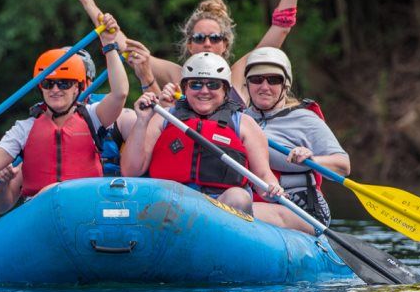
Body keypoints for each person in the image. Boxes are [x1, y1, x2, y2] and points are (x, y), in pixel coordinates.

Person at [0, 13, 128, 215]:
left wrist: (109, 45)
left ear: (78, 88)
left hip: (85, 208)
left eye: (65, 83)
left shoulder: (93, 117)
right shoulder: (25, 128)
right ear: (40, 87)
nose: (55, 89)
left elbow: (120, 93)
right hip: (41, 213)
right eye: (48, 83)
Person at [78, 0, 303, 107]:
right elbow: (125, 47)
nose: (207, 43)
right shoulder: (177, 74)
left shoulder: (240, 72)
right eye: (199, 37)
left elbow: (280, 28)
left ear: (225, 44)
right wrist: (90, 4)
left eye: (215, 38)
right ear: (189, 44)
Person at [123, 52, 312, 233]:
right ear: (185, 88)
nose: (204, 91)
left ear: (225, 90)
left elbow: (263, 174)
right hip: (172, 202)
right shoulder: (163, 118)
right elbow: (131, 170)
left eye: (213, 84)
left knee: (238, 196)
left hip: (220, 205)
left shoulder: (243, 123)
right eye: (196, 84)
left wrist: (271, 187)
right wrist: (142, 121)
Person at [242, 47, 348, 226]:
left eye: (274, 80)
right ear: (247, 84)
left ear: (286, 85)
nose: (264, 87)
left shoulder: (305, 119)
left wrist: (312, 159)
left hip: (302, 209)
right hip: (254, 201)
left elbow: (343, 166)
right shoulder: (239, 118)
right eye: (256, 79)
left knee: (235, 210)